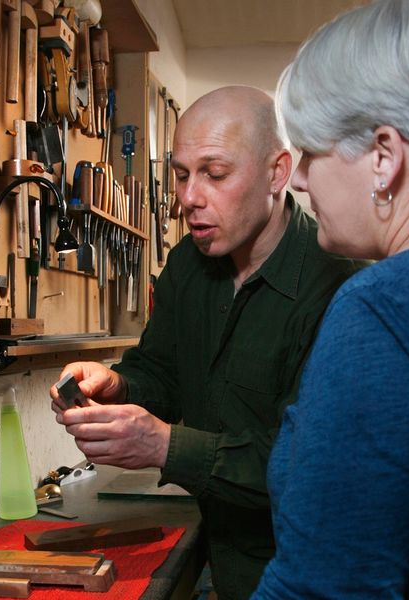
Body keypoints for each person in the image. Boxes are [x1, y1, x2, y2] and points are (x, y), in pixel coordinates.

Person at [51, 86, 362, 600]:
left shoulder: (339, 287)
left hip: (300, 575)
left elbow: (309, 467)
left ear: (277, 173)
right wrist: (119, 385)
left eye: (215, 174)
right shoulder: (185, 266)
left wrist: (162, 444)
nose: (190, 197)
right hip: (213, 550)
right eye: (180, 173)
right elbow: (163, 375)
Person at [252, 1, 409, 598]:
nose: (298, 181)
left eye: (312, 154)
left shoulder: (385, 312)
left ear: (382, 156)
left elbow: (324, 588)